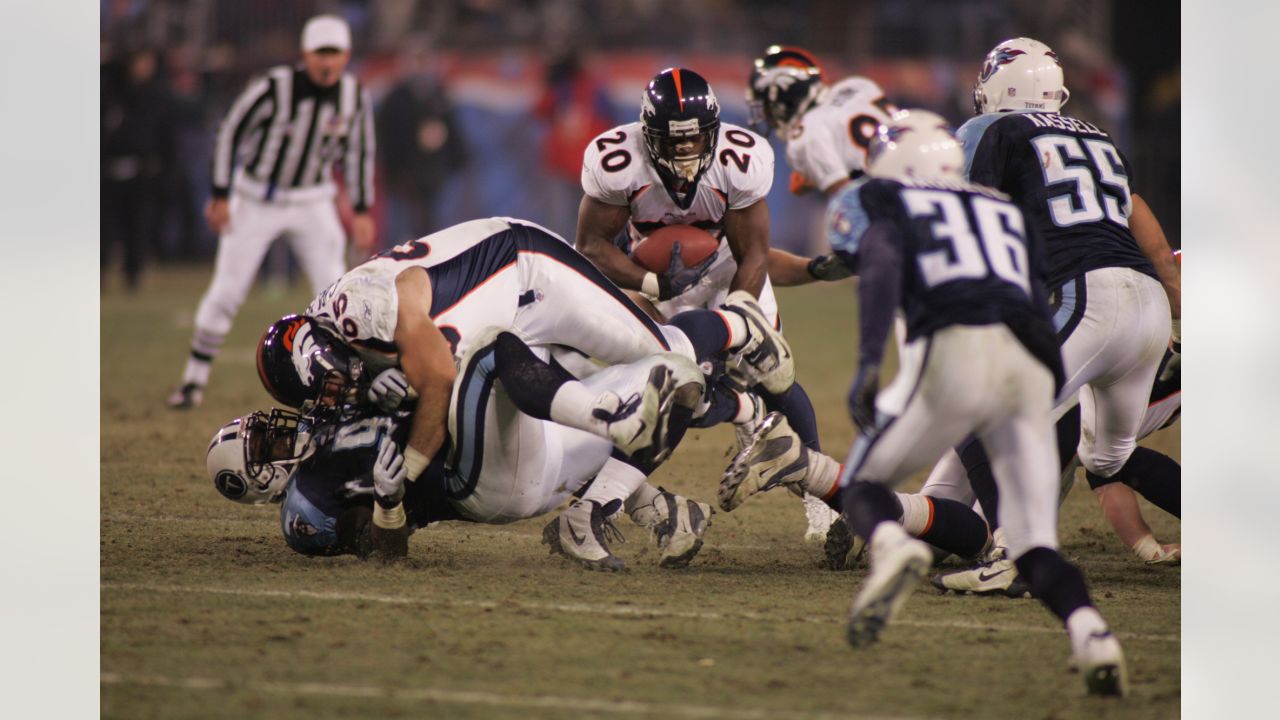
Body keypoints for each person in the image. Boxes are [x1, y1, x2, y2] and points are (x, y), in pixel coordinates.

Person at [261, 216, 796, 563]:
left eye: (332, 378)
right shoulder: (343, 353)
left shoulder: (354, 309)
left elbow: (439, 378)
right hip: (503, 342)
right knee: (668, 376)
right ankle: (742, 406)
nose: (340, 391)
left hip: (528, 275)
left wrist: (409, 472)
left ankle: (742, 332)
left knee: (671, 358)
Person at [823, 109, 1127, 696]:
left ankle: (890, 551)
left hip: (951, 350)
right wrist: (1043, 387)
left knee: (863, 483)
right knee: (1034, 545)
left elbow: (882, 262)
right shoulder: (1005, 211)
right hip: (1025, 368)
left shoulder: (887, 202)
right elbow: (1038, 310)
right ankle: (1093, 636)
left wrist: (866, 363)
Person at [920, 37, 1180, 591]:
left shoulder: (993, 130)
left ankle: (1011, 555)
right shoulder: (1102, 139)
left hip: (1086, 296)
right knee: (1108, 458)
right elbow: (1134, 219)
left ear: (999, 86)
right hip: (1147, 305)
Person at [575, 66, 841, 543]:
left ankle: (822, 503)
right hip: (653, 277)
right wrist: (651, 282)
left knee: (773, 376)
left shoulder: (739, 160)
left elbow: (753, 253)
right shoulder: (619, 161)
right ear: (647, 133)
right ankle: (739, 413)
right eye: (672, 141)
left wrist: (741, 316)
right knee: (672, 389)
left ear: (713, 130)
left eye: (695, 139)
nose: (684, 150)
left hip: (725, 267)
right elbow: (592, 247)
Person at [210, 334, 715, 570]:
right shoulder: (307, 505)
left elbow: (414, 388)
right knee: (492, 353)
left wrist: (389, 380)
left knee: (675, 371)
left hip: (530, 452)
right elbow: (384, 553)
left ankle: (629, 505)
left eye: (268, 430)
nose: (280, 433)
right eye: (266, 445)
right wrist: (388, 504)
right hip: (477, 480)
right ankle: (624, 449)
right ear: (260, 483)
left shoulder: (326, 417)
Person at [168, 15, 377, 409]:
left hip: (313, 200)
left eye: (335, 54)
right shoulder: (274, 88)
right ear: (305, 55)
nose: (328, 63)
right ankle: (192, 382)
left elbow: (359, 154)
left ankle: (344, 390)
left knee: (336, 296)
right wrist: (220, 192)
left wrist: (362, 209)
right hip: (257, 199)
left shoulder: (354, 96)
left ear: (347, 55)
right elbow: (231, 130)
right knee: (227, 291)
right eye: (321, 54)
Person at [101, 47, 178, 291]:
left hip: (141, 172)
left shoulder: (156, 97)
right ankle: (99, 274)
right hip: (108, 170)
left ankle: (132, 275)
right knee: (104, 227)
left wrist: (162, 167)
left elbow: (166, 136)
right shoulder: (110, 92)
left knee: (138, 227)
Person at [377, 38, 468, 243]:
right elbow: (387, 135)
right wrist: (397, 167)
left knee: (433, 230)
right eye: (417, 60)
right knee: (401, 229)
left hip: (434, 172)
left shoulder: (439, 94)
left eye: (425, 60)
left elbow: (453, 131)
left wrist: (456, 159)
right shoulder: (396, 97)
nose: (422, 66)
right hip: (403, 175)